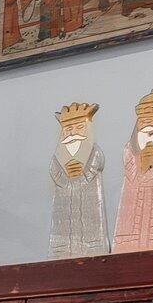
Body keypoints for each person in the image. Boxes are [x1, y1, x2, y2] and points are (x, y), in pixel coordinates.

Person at [114, 89, 153, 254]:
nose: (150, 121)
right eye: (145, 117)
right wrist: (143, 164)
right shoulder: (130, 148)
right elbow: (131, 177)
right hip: (134, 212)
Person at [50, 101, 106, 258]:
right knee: (65, 224)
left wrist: (82, 178)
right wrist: (66, 182)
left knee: (88, 223)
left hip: (87, 194)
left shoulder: (93, 151)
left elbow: (96, 163)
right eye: (68, 128)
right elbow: (54, 170)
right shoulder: (58, 155)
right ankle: (61, 248)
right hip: (66, 196)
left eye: (79, 127)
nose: (73, 133)